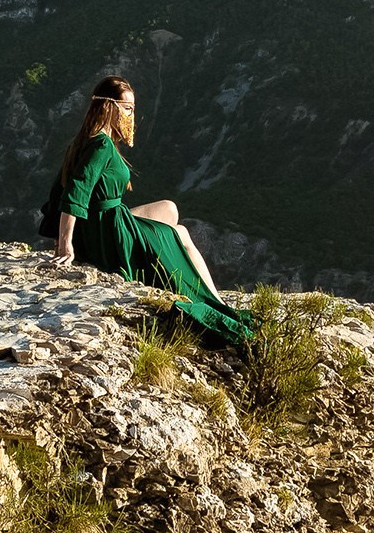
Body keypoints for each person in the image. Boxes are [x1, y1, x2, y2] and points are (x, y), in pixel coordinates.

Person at [41, 75, 252, 343]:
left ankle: (215, 299)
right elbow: (76, 192)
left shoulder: (84, 140)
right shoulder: (102, 145)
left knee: (169, 209)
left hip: (102, 224)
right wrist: (65, 246)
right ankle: (217, 303)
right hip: (108, 235)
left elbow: (58, 192)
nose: (132, 114)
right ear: (110, 107)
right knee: (182, 234)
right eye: (127, 108)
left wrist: (66, 236)